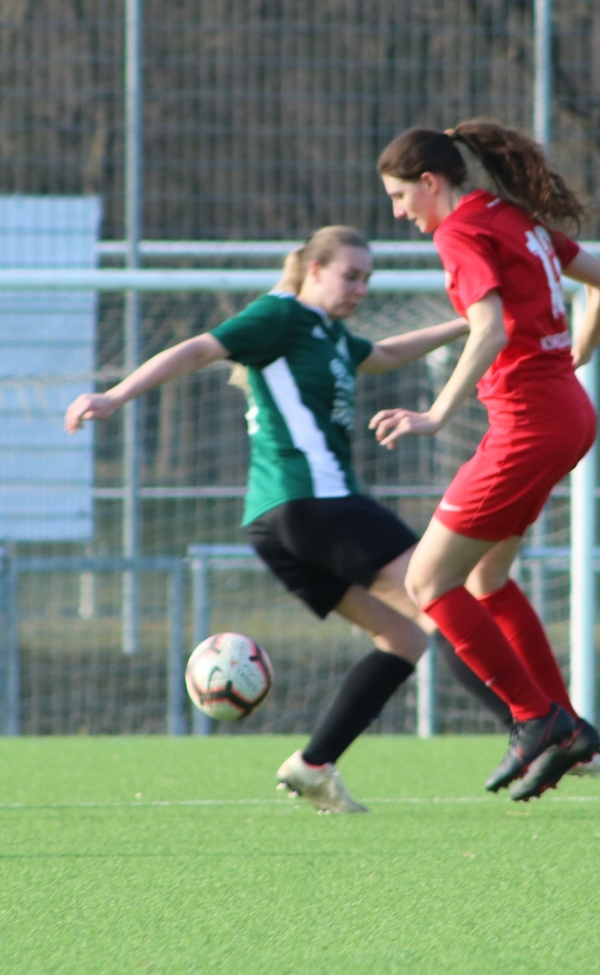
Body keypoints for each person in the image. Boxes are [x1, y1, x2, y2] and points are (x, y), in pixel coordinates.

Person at [63, 226, 468, 814]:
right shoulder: (280, 316)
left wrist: (470, 323)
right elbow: (201, 349)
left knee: (402, 636)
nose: (360, 288)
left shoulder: (328, 333)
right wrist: (117, 396)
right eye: (349, 275)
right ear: (313, 270)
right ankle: (532, 728)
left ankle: (313, 765)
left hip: (276, 522)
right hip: (314, 502)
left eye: (366, 279)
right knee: (440, 600)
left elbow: (383, 356)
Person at [370, 120, 600, 802]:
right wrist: (579, 357)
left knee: (427, 583)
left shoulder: (459, 230)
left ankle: (534, 718)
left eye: (399, 197)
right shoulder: (509, 215)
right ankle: (568, 726)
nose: (398, 213)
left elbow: (491, 328)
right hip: (567, 414)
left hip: (528, 426)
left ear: (430, 183)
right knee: (485, 576)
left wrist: (436, 414)